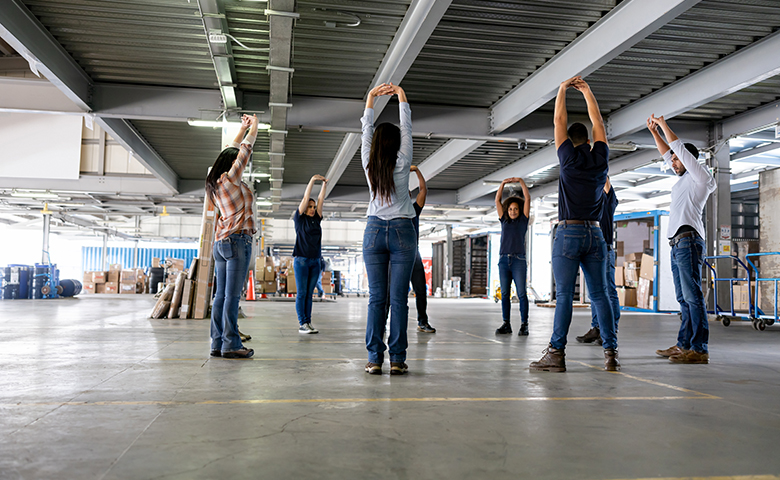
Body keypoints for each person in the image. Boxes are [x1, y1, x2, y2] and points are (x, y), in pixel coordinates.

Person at [530, 76, 618, 373]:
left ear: (570, 139)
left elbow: (558, 120)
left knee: (565, 295)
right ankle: (611, 353)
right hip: (596, 233)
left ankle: (556, 354)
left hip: (569, 232)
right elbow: (600, 124)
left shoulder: (567, 158)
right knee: (600, 295)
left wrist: (561, 90)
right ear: (590, 140)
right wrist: (587, 92)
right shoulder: (601, 159)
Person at [647, 114, 716, 364]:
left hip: (688, 241)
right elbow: (668, 152)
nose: (672, 162)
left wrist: (664, 125)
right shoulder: (683, 179)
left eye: (677, 159)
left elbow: (677, 149)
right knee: (683, 298)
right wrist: (654, 132)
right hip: (677, 244)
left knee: (692, 296)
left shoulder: (701, 178)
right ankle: (683, 345)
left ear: (688, 159)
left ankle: (699, 348)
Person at [361, 82, 417, 376]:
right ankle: (397, 359)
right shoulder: (403, 160)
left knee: (376, 299)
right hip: (402, 231)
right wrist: (401, 97)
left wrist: (370, 99)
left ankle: (374, 359)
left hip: (373, 232)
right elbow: (406, 129)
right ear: (396, 144)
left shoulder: (368, 164)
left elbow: (365, 132)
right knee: (398, 300)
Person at [205, 114, 259, 359]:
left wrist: (242, 127)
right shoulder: (231, 179)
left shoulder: (215, 183)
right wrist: (254, 128)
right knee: (232, 297)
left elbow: (232, 150)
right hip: (238, 242)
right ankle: (231, 344)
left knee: (221, 296)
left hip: (221, 243)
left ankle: (217, 343)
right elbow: (244, 150)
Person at [383, 166, 437, 333]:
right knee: (390, 293)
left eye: (407, 194)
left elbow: (423, 190)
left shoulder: (414, 211)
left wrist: (417, 171)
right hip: (396, 256)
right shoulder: (392, 212)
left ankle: (423, 322)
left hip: (414, 256)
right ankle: (383, 322)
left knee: (421, 290)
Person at [576, 176, 620, 345]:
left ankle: (610, 329)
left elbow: (605, 182)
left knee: (608, 290)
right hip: (592, 250)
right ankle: (597, 328)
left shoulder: (608, 202)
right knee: (595, 293)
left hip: (606, 249)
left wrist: (597, 168)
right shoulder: (589, 205)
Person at [494, 177, 531, 336]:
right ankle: (506, 324)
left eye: (515, 209)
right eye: (510, 209)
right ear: (507, 210)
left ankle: (524, 324)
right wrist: (502, 184)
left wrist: (520, 181)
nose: (513, 211)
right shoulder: (504, 221)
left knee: (521, 293)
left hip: (518, 260)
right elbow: (497, 200)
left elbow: (527, 198)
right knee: (505, 294)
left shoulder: (523, 220)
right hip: (503, 260)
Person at [293, 174, 328, 333]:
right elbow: (307, 196)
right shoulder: (299, 219)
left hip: (315, 261)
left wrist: (324, 184)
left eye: (314, 207)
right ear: (305, 207)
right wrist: (313, 181)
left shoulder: (317, 219)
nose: (313, 209)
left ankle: (308, 322)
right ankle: (302, 323)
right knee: (302, 293)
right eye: (310, 206)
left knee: (309, 294)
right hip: (301, 260)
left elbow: (321, 199)